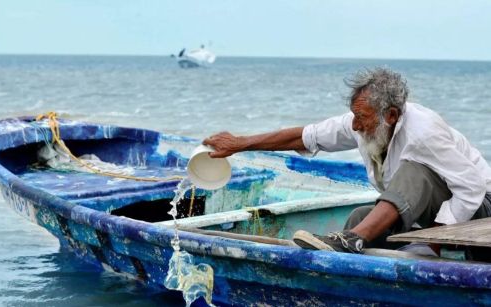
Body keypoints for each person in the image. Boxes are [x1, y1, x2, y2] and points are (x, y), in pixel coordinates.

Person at [203, 68, 491, 256]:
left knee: (414, 171)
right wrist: (240, 144)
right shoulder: (364, 122)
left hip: (481, 209)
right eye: (353, 116)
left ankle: (353, 239)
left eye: (361, 118)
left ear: (390, 115)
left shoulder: (424, 132)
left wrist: (434, 240)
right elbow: (306, 136)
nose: (354, 126)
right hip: (432, 210)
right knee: (359, 218)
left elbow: (472, 187)